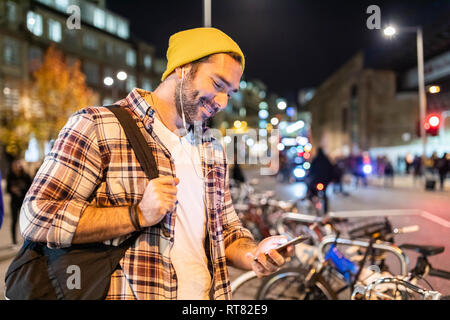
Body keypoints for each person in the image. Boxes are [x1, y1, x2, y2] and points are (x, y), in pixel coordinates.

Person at [19, 27, 293, 300]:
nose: (222, 102)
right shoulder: (98, 125)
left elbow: (228, 231)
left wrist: (255, 253)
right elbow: (37, 216)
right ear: (184, 69)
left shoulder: (211, 147)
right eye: (218, 85)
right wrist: (136, 214)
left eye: (230, 93)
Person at [6, 160, 32, 246]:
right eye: (14, 166)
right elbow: (7, 189)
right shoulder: (10, 176)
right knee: (14, 221)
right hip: (14, 202)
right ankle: (14, 241)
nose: (16, 167)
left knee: (25, 221)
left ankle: (27, 240)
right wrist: (12, 190)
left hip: (23, 202)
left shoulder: (25, 176)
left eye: (17, 165)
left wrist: (21, 190)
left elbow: (31, 189)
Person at [305, 148, 334, 213]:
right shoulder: (326, 160)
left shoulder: (315, 160)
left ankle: (311, 202)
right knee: (325, 195)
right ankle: (326, 210)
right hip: (325, 181)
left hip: (316, 181)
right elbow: (331, 169)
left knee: (312, 192)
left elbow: (311, 170)